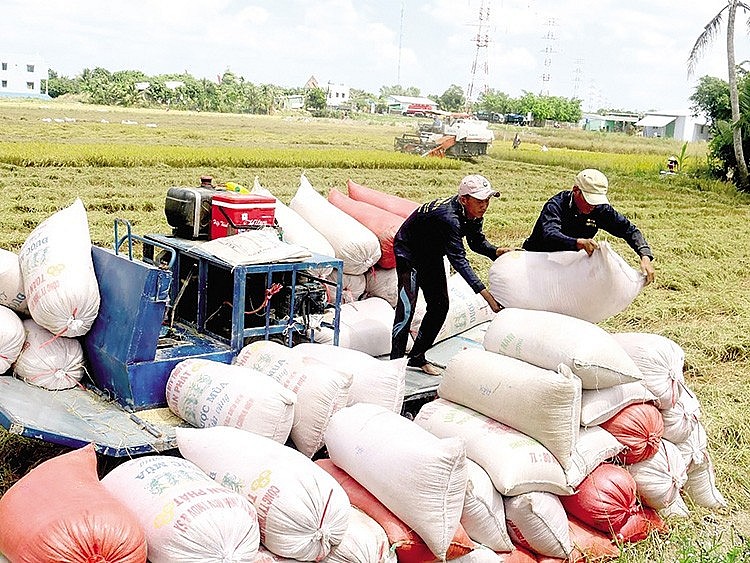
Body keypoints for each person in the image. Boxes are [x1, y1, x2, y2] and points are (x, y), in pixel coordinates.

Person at [390, 174, 509, 375]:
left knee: (440, 306)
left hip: (431, 253)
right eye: (480, 201)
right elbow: (459, 260)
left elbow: (476, 242)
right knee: (407, 308)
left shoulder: (472, 214)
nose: (485, 205)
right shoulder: (449, 218)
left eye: (487, 200)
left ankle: (417, 357)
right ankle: (395, 365)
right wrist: (486, 296)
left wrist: (496, 251)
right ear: (464, 199)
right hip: (409, 251)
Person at [522, 168, 655, 285]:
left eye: (596, 201)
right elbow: (550, 234)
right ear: (576, 191)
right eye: (589, 199)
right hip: (538, 259)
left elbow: (629, 230)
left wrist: (645, 256)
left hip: (569, 265)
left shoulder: (600, 210)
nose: (592, 206)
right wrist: (578, 243)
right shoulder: (556, 205)